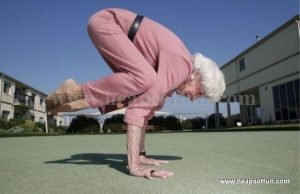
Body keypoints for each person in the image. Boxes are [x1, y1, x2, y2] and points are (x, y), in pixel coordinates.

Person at [46, 8, 225, 179]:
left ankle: (60, 102)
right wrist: (135, 166)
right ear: (197, 76)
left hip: (108, 27)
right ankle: (71, 92)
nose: (194, 98)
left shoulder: (174, 77)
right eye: (200, 93)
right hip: (107, 23)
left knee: (142, 97)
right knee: (145, 80)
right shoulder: (182, 67)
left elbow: (146, 111)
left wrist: (141, 155)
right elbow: (138, 112)